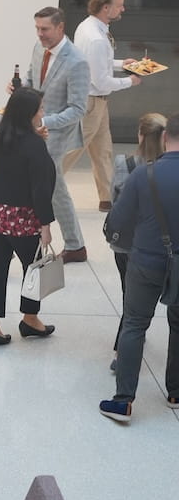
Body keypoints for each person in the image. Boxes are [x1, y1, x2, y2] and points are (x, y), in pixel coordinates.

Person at [99, 112, 179, 423]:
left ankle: (123, 402)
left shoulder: (143, 175)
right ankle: (175, 392)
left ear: (163, 138)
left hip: (145, 260)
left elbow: (118, 220)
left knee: (134, 324)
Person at [0, 88, 57, 348]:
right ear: (29, 113)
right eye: (41, 108)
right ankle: (30, 318)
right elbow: (40, 188)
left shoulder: (0, 136)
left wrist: (36, 140)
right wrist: (45, 225)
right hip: (23, 218)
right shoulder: (35, 145)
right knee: (33, 268)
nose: (43, 113)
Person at [62, 0, 141, 212]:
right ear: (106, 8)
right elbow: (101, 81)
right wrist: (130, 81)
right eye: (119, 5)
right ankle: (42, 186)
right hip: (91, 102)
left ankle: (108, 198)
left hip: (96, 102)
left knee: (103, 150)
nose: (123, 9)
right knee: (71, 151)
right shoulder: (96, 37)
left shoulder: (89, 27)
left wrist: (121, 64)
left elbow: (95, 63)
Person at [22, 6, 91, 263]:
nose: (40, 35)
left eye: (45, 29)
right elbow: (32, 81)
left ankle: (72, 245)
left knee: (48, 188)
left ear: (60, 27)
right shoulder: (39, 48)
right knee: (53, 189)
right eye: (37, 29)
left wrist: (42, 121)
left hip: (56, 135)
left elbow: (77, 110)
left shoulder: (77, 62)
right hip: (34, 129)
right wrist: (19, 90)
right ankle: (75, 245)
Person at [107, 112, 166, 366]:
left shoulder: (125, 164)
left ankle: (124, 349)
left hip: (126, 242)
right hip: (159, 243)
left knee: (128, 294)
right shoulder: (168, 168)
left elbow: (115, 202)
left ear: (139, 135)